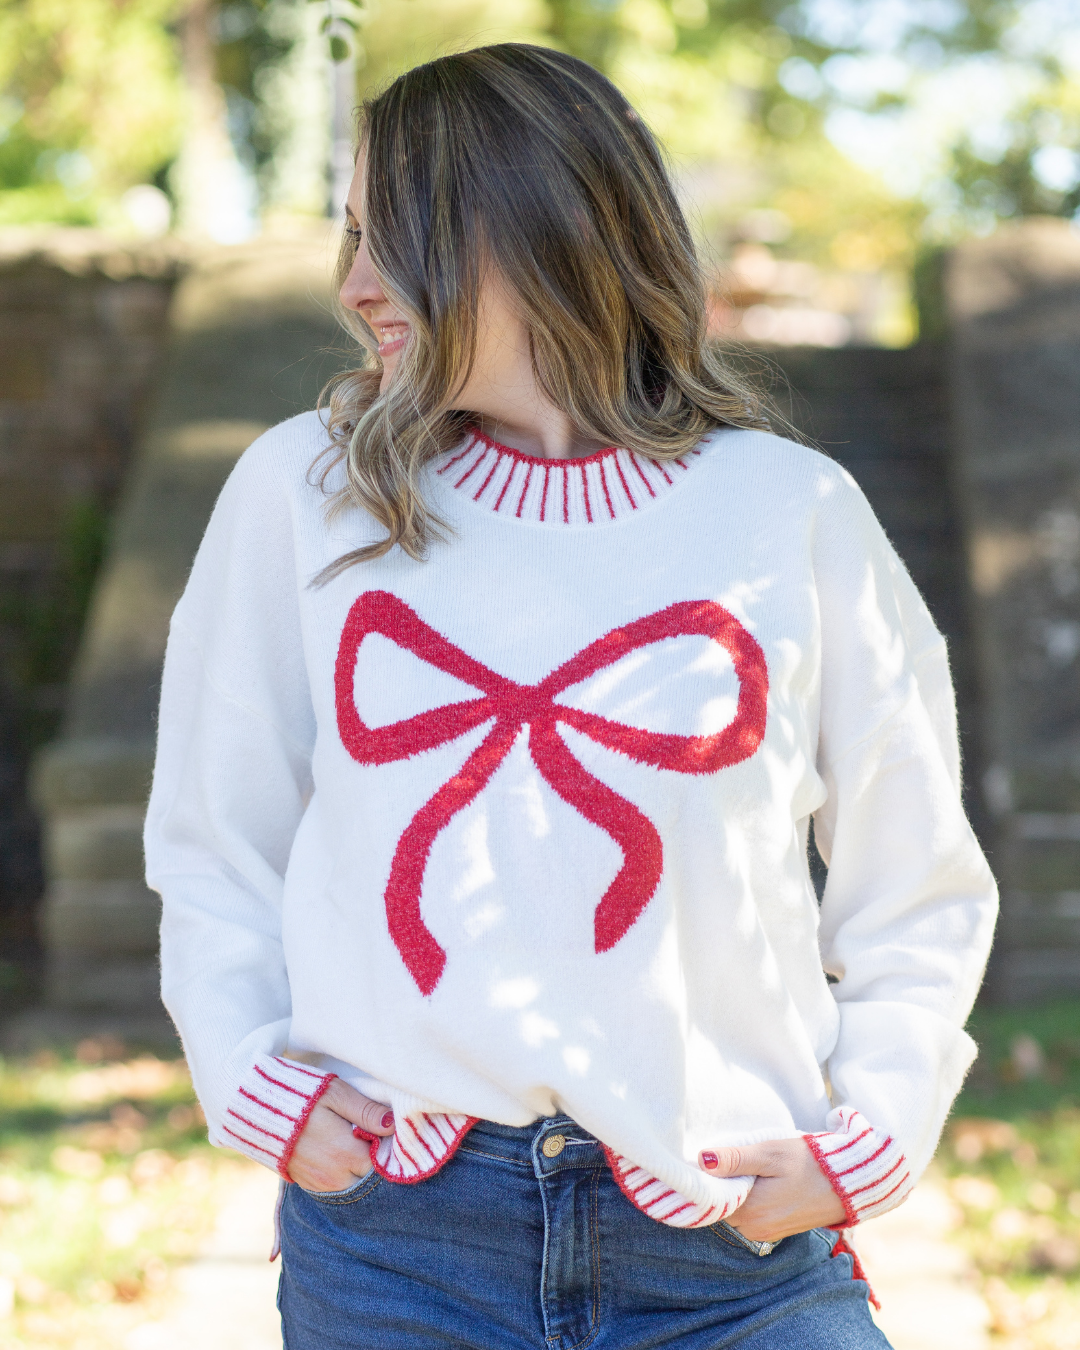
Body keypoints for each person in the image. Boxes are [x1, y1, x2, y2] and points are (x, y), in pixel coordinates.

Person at [145, 42, 998, 1350]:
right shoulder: (303, 493)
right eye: (350, 235)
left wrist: (869, 1133)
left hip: (733, 1252)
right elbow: (218, 838)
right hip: (398, 1253)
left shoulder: (792, 514)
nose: (354, 284)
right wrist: (257, 1078)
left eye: (395, 238)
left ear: (542, 228)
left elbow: (917, 877)